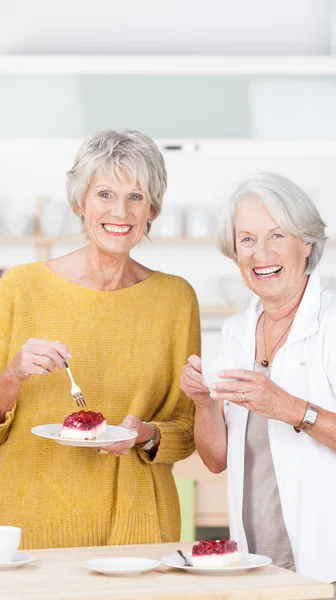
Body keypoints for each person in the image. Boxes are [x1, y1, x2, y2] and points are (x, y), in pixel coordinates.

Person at [181, 172, 336, 598]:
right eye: (247, 239)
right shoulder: (236, 331)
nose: (260, 253)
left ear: (307, 243)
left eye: (276, 235)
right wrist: (203, 402)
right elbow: (216, 459)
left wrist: (292, 409)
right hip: (261, 567)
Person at [0, 130, 200, 550]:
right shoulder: (19, 288)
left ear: (154, 210)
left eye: (136, 196)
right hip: (30, 526)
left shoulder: (176, 299)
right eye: (104, 194)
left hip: (139, 526)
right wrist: (12, 376)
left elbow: (186, 427)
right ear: (79, 203)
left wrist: (145, 434)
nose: (120, 211)